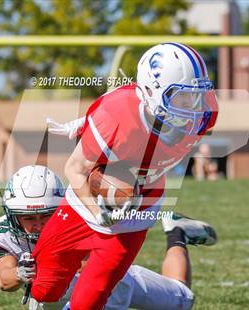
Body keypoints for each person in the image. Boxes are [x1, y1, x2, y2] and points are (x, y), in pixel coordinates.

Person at [31, 43, 218, 309]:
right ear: (152, 92)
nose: (193, 104)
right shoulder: (118, 116)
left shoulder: (205, 116)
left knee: (88, 305)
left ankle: (173, 237)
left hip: (137, 211)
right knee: (42, 288)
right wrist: (98, 211)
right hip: (85, 204)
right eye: (181, 96)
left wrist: (91, 121)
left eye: (196, 94)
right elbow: (75, 169)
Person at [0, 164, 217, 309]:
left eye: (45, 216)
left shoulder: (78, 217)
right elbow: (2, 277)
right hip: (56, 299)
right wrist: (19, 273)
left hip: (113, 282)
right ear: (12, 214)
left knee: (183, 301)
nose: (38, 225)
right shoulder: (0, 233)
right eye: (29, 218)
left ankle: (177, 233)